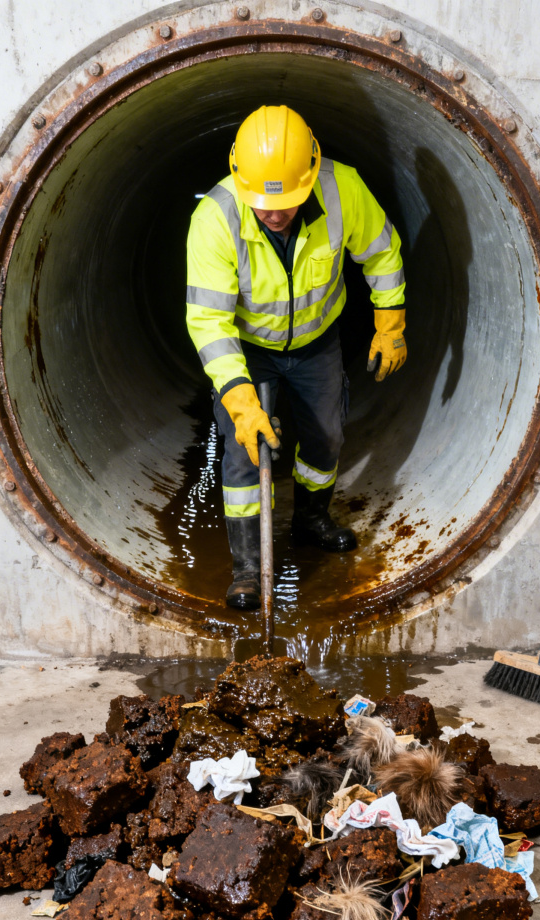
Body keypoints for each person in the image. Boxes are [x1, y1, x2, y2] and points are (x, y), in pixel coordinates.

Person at [186, 105, 406, 610]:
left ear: (310, 173)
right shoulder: (214, 219)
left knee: (325, 435)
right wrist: (240, 401)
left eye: (287, 200)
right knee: (246, 450)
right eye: (265, 204)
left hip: (317, 341)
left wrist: (389, 321)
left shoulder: (341, 188)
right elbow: (208, 321)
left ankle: (310, 520)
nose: (277, 213)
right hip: (249, 349)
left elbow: (382, 252)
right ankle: (248, 566)